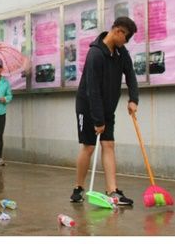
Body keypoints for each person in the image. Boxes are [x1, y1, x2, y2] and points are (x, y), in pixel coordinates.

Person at [71, 17, 139, 207]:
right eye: (126, 38)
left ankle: (113, 191)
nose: (126, 43)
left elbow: (130, 74)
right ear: (118, 32)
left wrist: (133, 99)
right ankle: (78, 188)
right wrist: (98, 120)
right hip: (88, 107)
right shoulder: (95, 54)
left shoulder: (120, 52)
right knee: (89, 146)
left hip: (108, 107)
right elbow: (92, 90)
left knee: (108, 145)